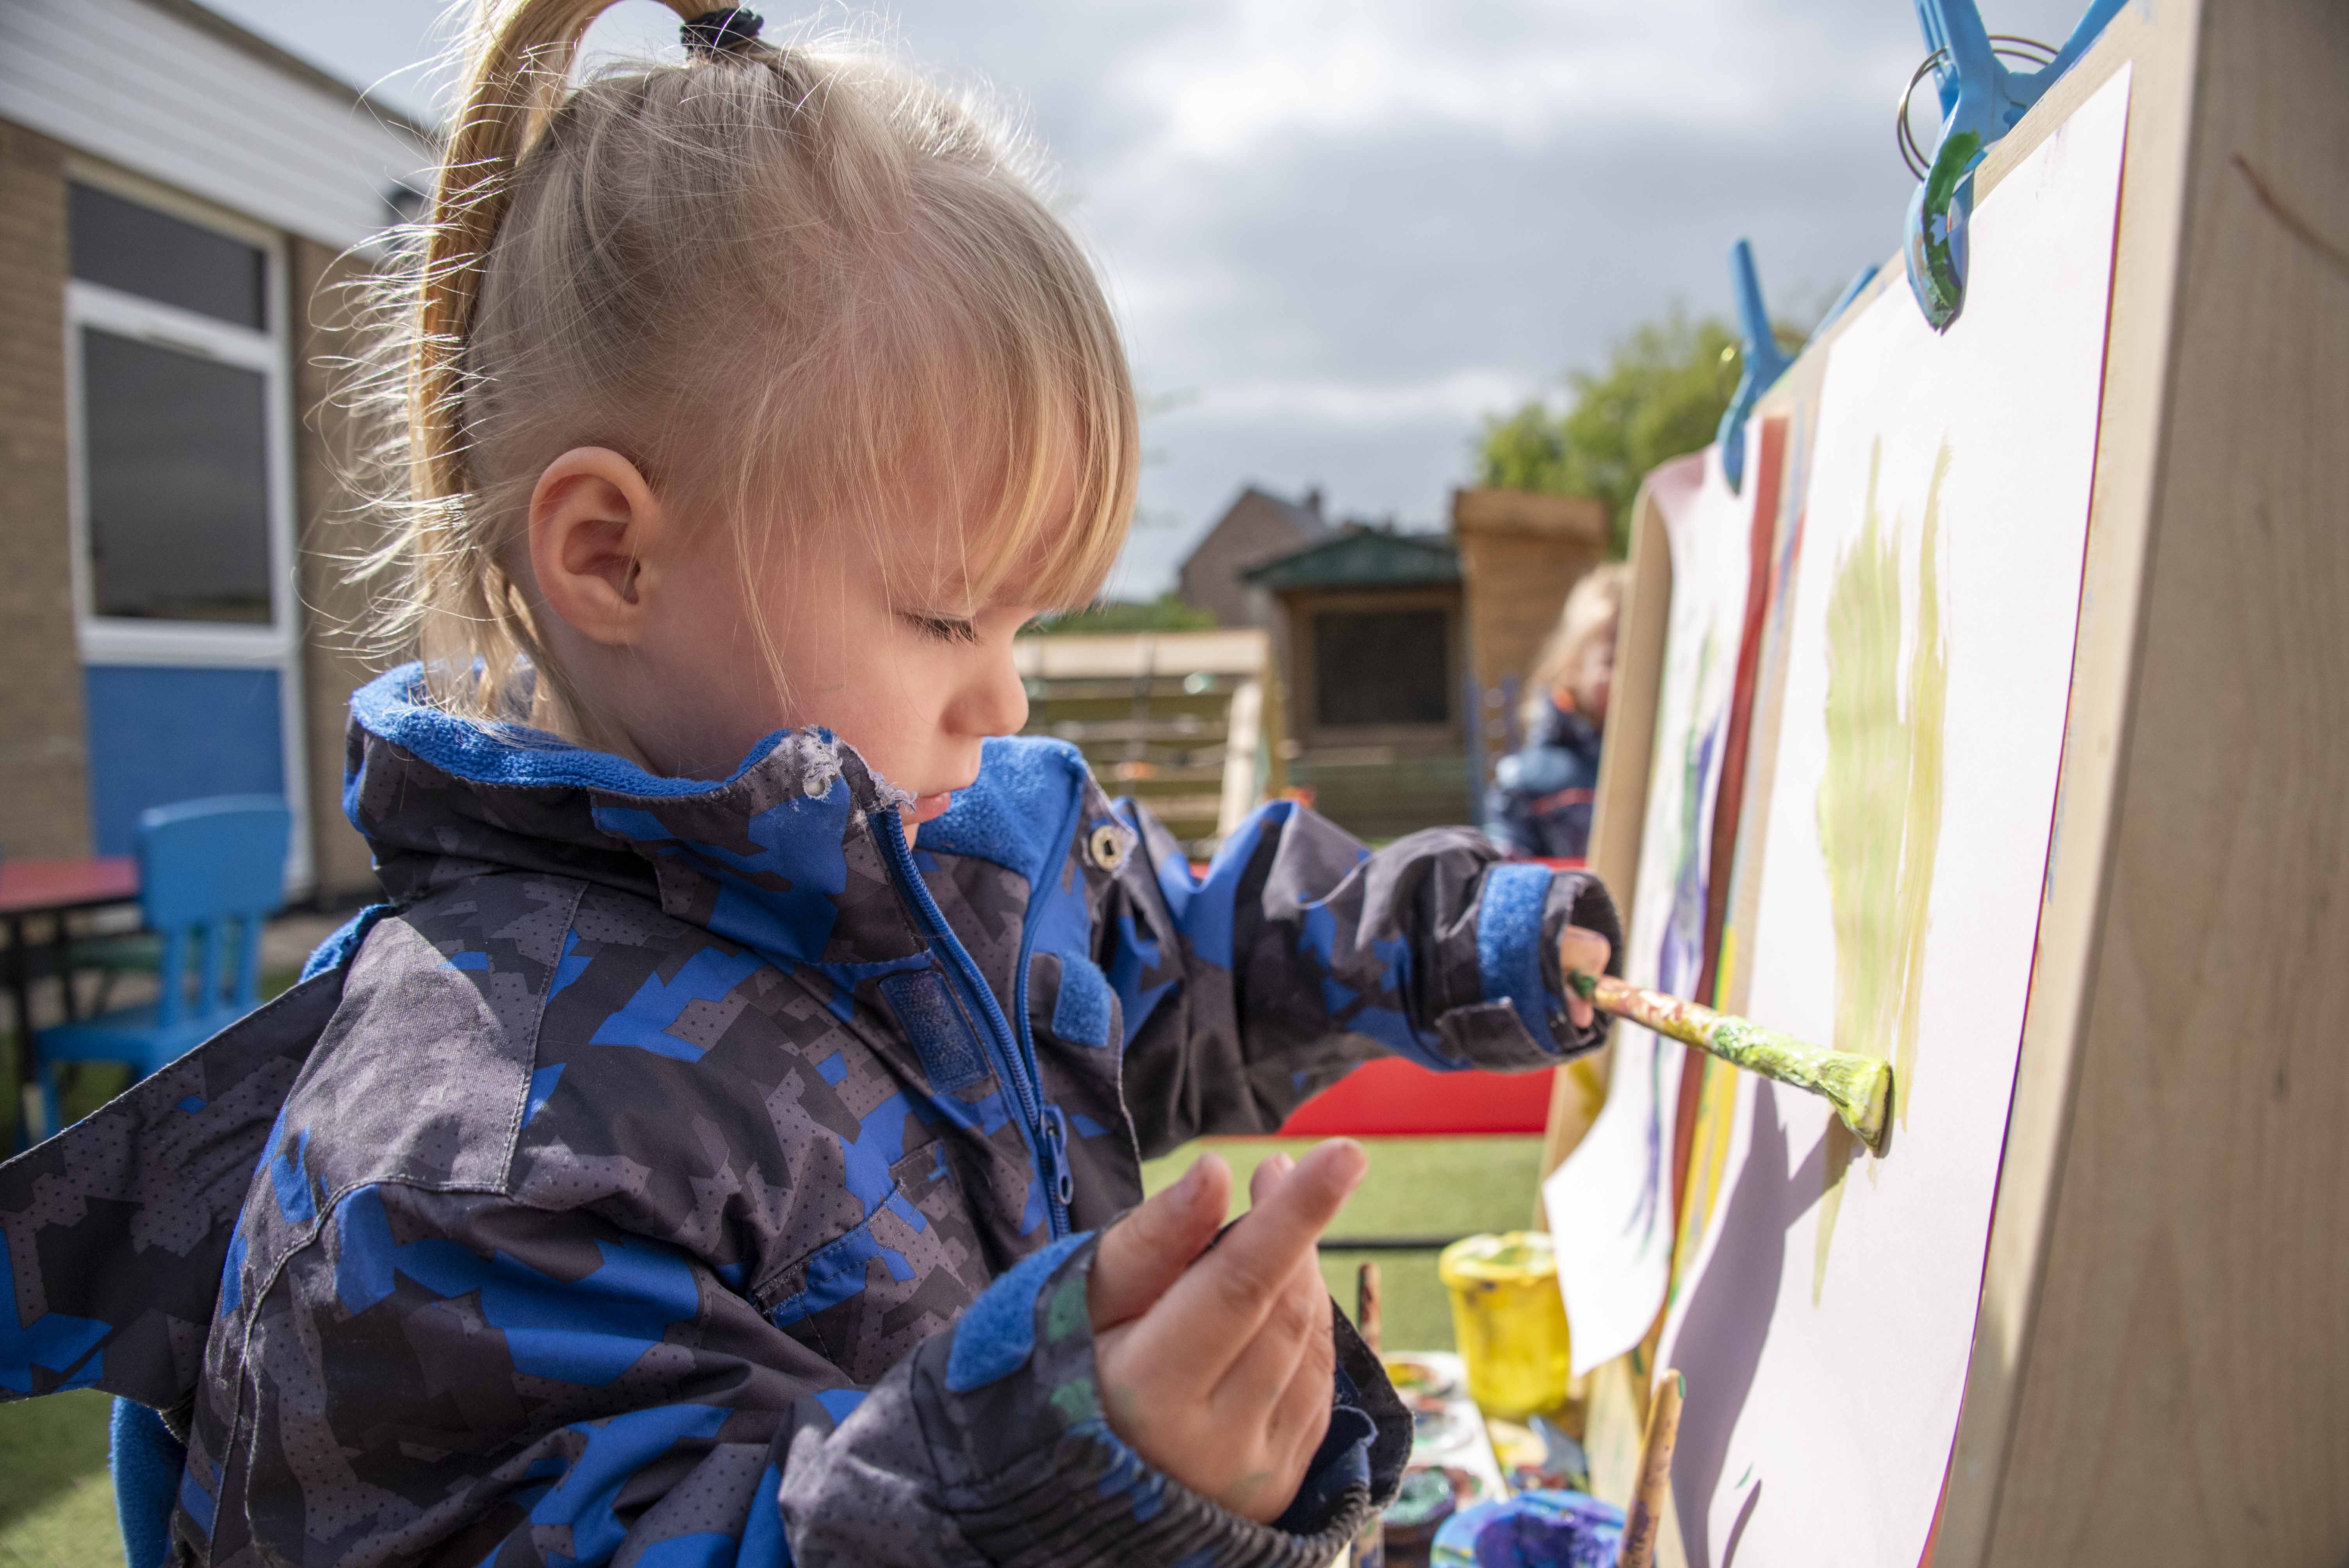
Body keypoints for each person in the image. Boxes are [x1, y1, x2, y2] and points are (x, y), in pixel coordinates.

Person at [0, 7, 1620, 1565]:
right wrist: (1059, 1487)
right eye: (941, 613)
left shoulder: (963, 861)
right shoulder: (480, 1146)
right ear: (612, 554)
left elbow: (1188, 954)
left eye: (1025, 618)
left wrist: (1456, 939)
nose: (1005, 693)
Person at [1486, 564, 1629, 861]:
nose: (1631, 678)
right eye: (1613, 661)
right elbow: (1508, 880)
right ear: (1573, 666)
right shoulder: (1527, 783)